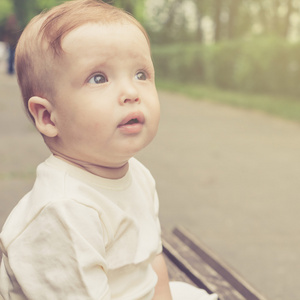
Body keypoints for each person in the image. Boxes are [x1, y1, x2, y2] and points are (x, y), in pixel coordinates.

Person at [0, 1, 218, 299]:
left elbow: (152, 259)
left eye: (141, 74)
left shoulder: (137, 174)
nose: (131, 93)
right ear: (49, 117)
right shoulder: (63, 211)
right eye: (98, 78)